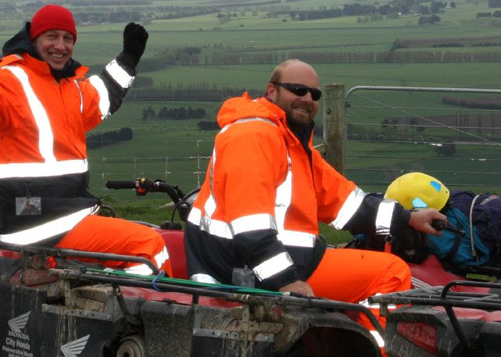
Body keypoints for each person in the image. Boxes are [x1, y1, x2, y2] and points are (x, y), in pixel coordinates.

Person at [185, 59, 446, 302]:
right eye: (298, 90)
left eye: (315, 94)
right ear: (271, 90)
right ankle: (372, 339)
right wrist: (285, 281)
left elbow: (346, 203)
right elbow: (250, 228)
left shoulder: (290, 142)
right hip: (243, 268)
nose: (308, 99)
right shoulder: (253, 136)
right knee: (391, 274)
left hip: (285, 261)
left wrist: (409, 218)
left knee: (379, 265)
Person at [0, 5, 169, 275]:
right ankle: (131, 301)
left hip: (63, 216)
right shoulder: (9, 79)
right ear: (34, 40)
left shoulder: (68, 86)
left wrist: (128, 58)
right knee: (150, 246)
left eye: (68, 39)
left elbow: (103, 96)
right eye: (51, 37)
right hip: (33, 224)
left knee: (135, 244)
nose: (60, 46)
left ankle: (110, 291)